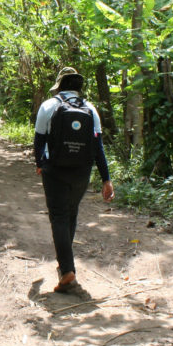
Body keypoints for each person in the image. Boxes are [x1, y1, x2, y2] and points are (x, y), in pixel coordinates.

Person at [33, 67, 115, 293]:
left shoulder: (49, 106)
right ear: (78, 87)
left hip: (55, 170)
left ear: (60, 86)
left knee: (58, 216)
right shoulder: (90, 109)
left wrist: (40, 164)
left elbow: (39, 140)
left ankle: (67, 271)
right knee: (70, 213)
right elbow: (98, 147)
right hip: (82, 171)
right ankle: (65, 266)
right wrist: (106, 179)